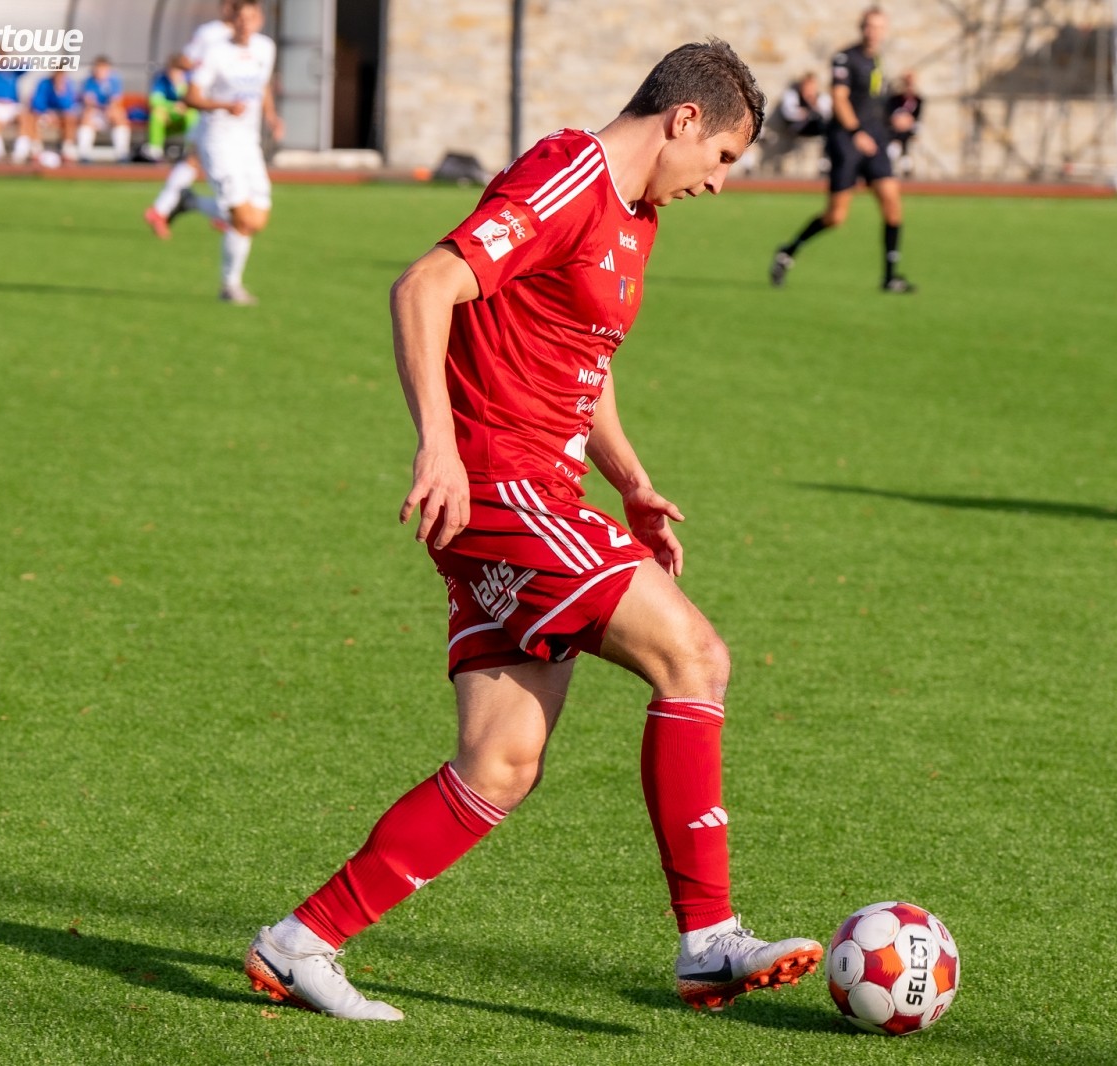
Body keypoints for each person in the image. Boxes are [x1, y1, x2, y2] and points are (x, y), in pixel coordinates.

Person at [241, 38, 823, 1023]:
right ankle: (709, 938)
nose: (719, 183)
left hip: (538, 492)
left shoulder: (634, 217)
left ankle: (300, 942)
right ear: (682, 119)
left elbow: (580, 357)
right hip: (503, 489)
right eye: (723, 157)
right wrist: (438, 446)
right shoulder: (568, 175)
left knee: (501, 762)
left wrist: (632, 481)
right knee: (695, 657)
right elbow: (424, 286)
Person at [769, 6, 914, 293]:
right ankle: (788, 251)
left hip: (875, 139)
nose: (874, 32)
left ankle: (890, 277)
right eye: (870, 26)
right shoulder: (845, 58)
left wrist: (895, 118)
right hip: (847, 140)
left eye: (879, 27)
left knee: (892, 203)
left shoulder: (878, 62)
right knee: (836, 216)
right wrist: (855, 132)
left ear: (885, 30)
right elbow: (839, 98)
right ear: (862, 28)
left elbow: (874, 103)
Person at [181, 0, 280, 303]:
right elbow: (191, 96)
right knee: (243, 220)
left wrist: (272, 116)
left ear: (259, 20)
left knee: (258, 219)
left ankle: (192, 202)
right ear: (231, 21)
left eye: (251, 17)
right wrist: (223, 105)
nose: (245, 24)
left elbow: (263, 85)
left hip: (248, 143)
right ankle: (230, 286)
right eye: (240, 18)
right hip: (219, 141)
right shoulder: (216, 52)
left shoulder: (266, 48)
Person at [145, 0, 236, 238]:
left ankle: (164, 208)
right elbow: (185, 60)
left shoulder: (252, 42)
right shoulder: (210, 33)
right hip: (210, 111)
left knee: (196, 161)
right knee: (201, 161)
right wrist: (200, 68)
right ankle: (221, 213)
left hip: (233, 116)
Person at [15, 69, 79, 164]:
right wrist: (47, 112)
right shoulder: (44, 84)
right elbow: (37, 102)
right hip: (44, 115)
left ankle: (67, 150)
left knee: (70, 119)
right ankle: (36, 150)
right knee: (33, 117)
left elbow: (68, 106)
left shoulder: (68, 85)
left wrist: (60, 94)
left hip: (59, 117)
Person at [78, 56, 131, 162]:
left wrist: (109, 109)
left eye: (103, 69)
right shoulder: (89, 82)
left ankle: (122, 153)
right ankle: (84, 154)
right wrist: (98, 109)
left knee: (119, 115)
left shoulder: (114, 81)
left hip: (109, 113)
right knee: (87, 115)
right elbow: (89, 102)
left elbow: (115, 101)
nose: (100, 72)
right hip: (95, 113)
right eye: (98, 68)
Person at [143, 54, 193, 162]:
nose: (174, 74)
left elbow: (192, 100)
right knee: (157, 113)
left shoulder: (191, 80)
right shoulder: (161, 79)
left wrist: (183, 104)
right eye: (172, 70)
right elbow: (155, 100)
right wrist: (172, 107)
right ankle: (155, 151)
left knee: (193, 115)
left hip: (184, 118)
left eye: (178, 71)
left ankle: (190, 150)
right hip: (167, 117)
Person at [885, 70, 921, 177]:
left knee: (906, 148)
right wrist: (897, 121)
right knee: (894, 146)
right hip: (895, 129)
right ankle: (889, 168)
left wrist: (914, 129)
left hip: (908, 130)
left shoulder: (917, 100)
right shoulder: (895, 99)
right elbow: (890, 114)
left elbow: (917, 118)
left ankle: (907, 171)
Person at [778, 71, 830, 139]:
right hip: (798, 129)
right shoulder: (792, 95)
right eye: (807, 85)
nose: (810, 89)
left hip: (817, 128)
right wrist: (804, 113)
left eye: (812, 86)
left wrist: (813, 103)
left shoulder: (822, 97)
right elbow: (788, 112)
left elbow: (827, 114)